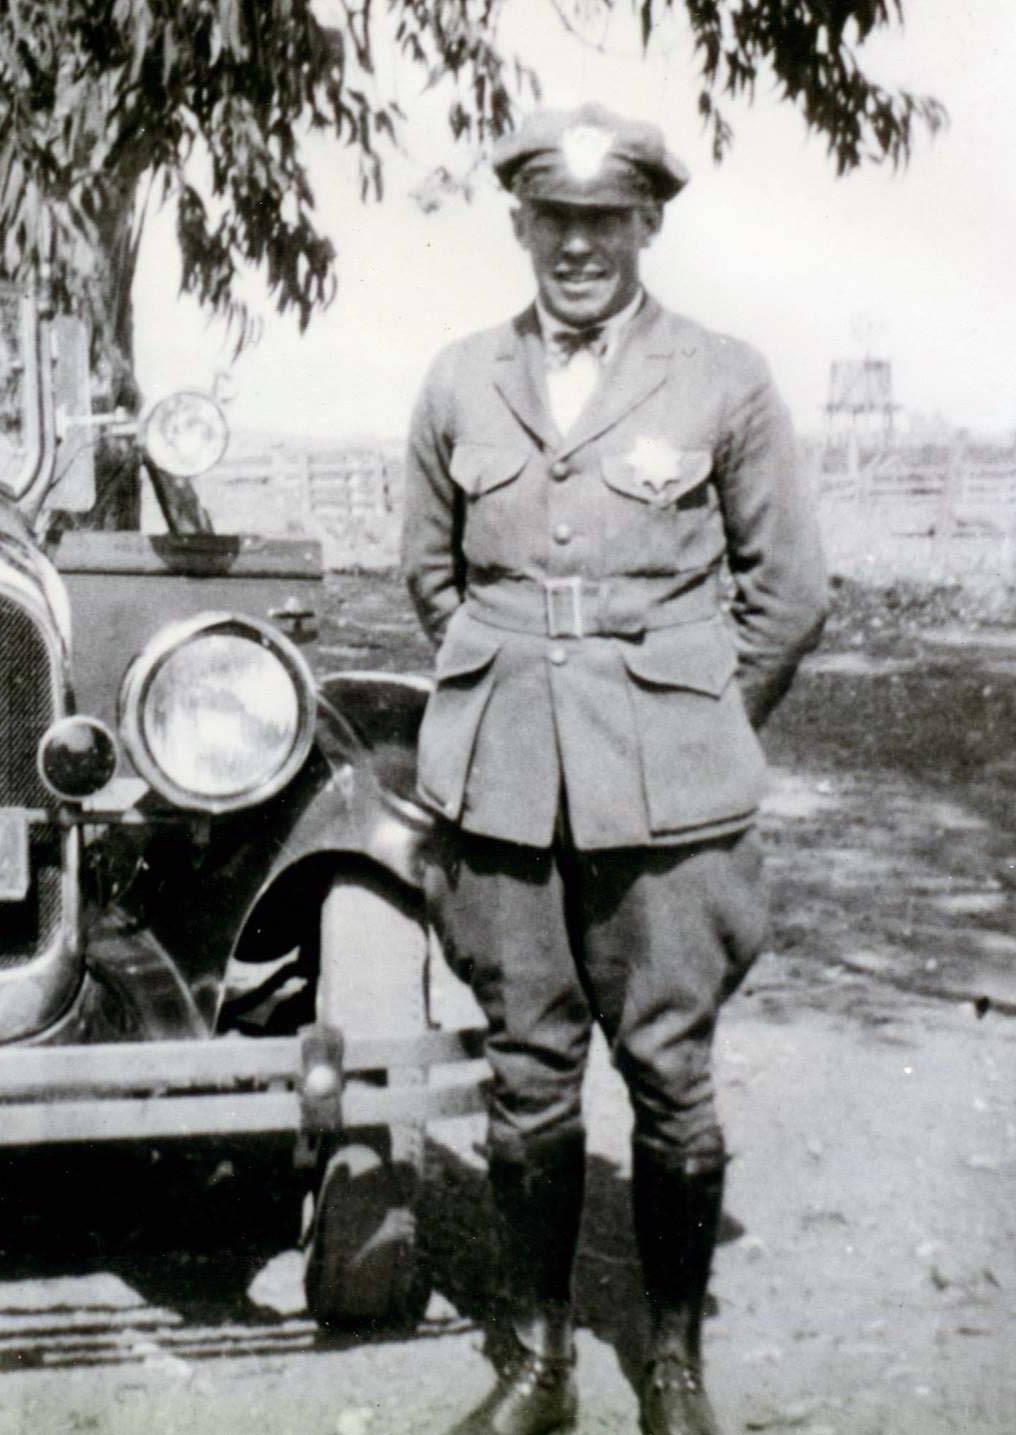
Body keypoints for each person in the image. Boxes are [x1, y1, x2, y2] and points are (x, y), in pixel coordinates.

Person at [401, 103, 828, 1435]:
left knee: (670, 1073)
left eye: (605, 220)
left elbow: (789, 591)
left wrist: (695, 714)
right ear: (520, 223)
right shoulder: (462, 377)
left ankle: (675, 1363)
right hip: (504, 783)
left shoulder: (722, 376)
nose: (577, 245)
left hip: (670, 785)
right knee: (528, 1077)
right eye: (554, 220)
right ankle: (539, 1365)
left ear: (648, 224)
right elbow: (431, 576)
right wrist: (511, 687)